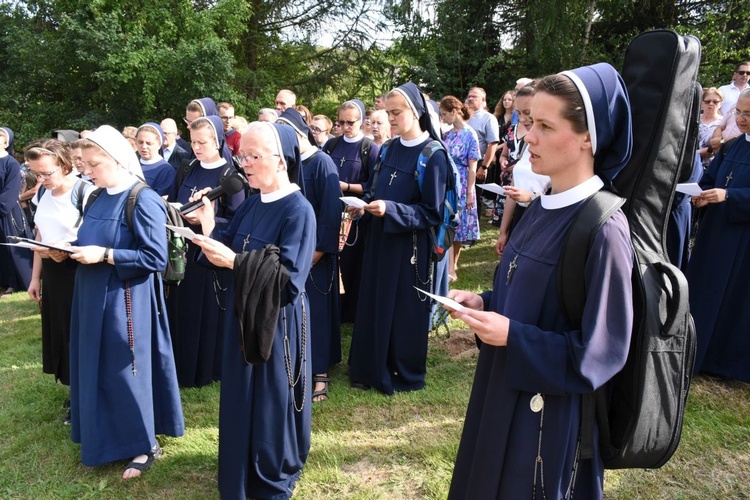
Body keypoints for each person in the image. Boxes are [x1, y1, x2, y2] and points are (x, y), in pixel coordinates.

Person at [447, 63, 634, 499]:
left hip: (547, 418)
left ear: (589, 136)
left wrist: (513, 335)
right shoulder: (544, 205)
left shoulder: (603, 228)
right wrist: (486, 302)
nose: (528, 136)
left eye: (546, 126)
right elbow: (538, 299)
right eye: (529, 122)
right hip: (500, 392)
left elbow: (600, 353)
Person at [190, 121, 315, 499]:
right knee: (242, 396)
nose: (243, 163)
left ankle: (267, 466)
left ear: (281, 160)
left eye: (253, 156)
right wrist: (207, 230)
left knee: (270, 400)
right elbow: (230, 243)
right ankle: (239, 461)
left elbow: (289, 280)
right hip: (242, 316)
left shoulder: (298, 210)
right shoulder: (252, 203)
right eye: (241, 155)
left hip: (275, 325)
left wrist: (234, 263)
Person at [69, 125, 184, 479]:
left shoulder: (142, 198)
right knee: (96, 365)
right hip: (90, 294)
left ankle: (143, 443)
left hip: (126, 300)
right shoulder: (95, 196)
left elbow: (154, 257)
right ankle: (102, 435)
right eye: (85, 164)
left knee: (125, 368)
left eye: (94, 164)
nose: (87, 171)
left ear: (116, 159)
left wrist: (104, 254)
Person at [347, 82, 449, 395]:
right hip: (379, 238)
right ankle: (369, 367)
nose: (391, 119)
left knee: (402, 308)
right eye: (388, 112)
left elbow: (432, 212)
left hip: (409, 246)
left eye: (396, 112)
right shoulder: (388, 148)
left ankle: (402, 371)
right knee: (374, 301)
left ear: (416, 112)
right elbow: (376, 189)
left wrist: (390, 209)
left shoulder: (433, 155)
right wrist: (362, 208)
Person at [167, 116, 246, 388]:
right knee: (182, 307)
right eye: (193, 142)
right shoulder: (187, 167)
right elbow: (175, 198)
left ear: (218, 141)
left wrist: (204, 219)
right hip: (184, 248)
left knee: (206, 312)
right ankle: (179, 362)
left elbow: (237, 221)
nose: (197, 147)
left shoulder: (230, 175)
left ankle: (203, 367)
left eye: (203, 142)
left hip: (210, 253)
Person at [26, 140, 93, 424]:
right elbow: (40, 235)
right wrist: (34, 277)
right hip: (53, 275)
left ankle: (87, 393)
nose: (40, 180)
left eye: (46, 174)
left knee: (78, 333)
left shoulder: (85, 192)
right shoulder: (42, 192)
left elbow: (93, 237)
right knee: (61, 333)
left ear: (65, 166)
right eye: (36, 174)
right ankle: (74, 390)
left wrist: (64, 251)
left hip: (78, 273)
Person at [278, 108, 342, 402]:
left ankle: (320, 374)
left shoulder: (322, 162)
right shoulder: (290, 164)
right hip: (292, 253)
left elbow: (331, 212)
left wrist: (316, 252)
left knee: (316, 313)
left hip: (316, 254)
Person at [688, 88, 750, 382]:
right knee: (707, 291)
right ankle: (696, 352)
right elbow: (712, 179)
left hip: (743, 240)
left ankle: (726, 362)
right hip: (716, 234)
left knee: (736, 301)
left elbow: (727, 190)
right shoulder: (731, 146)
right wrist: (700, 194)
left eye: (748, 114)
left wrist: (729, 196)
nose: (741, 119)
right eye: (738, 112)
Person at [323, 99, 380, 323]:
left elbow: (374, 185)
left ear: (362, 121)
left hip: (356, 213)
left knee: (350, 262)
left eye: (351, 122)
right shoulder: (332, 145)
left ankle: (349, 311)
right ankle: (331, 305)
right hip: (332, 209)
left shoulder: (369, 148)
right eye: (341, 122)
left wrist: (347, 187)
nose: (346, 126)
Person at [495, 84, 551, 255]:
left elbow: (567, 197)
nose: (523, 119)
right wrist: (504, 231)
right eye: (518, 113)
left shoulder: (557, 148)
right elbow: (514, 188)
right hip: (520, 217)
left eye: (527, 113)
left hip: (543, 221)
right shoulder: (527, 145)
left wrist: (531, 197)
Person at [439, 96, 481, 282]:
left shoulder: (470, 134)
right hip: (449, 181)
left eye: (444, 114)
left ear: (454, 112)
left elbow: (473, 166)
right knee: (449, 221)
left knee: (459, 226)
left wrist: (470, 191)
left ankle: (453, 265)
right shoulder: (447, 134)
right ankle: (450, 266)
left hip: (463, 182)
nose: (443, 118)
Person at [0, 126, 33, 295]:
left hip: (7, 211)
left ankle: (13, 282)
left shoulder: (11, 163)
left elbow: (11, 191)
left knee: (9, 247)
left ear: (6, 143)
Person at [466, 87, 500, 217]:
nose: (470, 99)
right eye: (469, 96)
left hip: (478, 163)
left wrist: (484, 167)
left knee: (474, 196)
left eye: (474, 96)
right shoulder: (463, 116)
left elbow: (492, 144)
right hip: (461, 163)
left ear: (483, 100)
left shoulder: (488, 118)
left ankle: (473, 229)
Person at [136, 122, 176, 196]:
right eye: (140, 142)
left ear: (159, 144)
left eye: (149, 143)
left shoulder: (166, 171)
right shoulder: (131, 163)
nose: (144, 146)